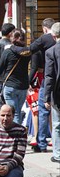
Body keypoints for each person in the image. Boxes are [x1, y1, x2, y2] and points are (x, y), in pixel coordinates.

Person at [28, 18, 56, 153]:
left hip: (48, 78)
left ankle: (42, 143)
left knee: (44, 111)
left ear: (45, 28)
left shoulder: (45, 39)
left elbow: (31, 48)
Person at [0, 30, 31, 125]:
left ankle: (15, 134)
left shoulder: (8, 52)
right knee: (17, 110)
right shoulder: (27, 53)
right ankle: (18, 131)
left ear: (12, 38)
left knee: (14, 112)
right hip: (23, 86)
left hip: (10, 85)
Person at [44, 22, 60, 163]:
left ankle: (58, 154)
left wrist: (46, 97)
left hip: (57, 93)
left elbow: (49, 76)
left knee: (56, 124)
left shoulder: (51, 52)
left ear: (53, 36)